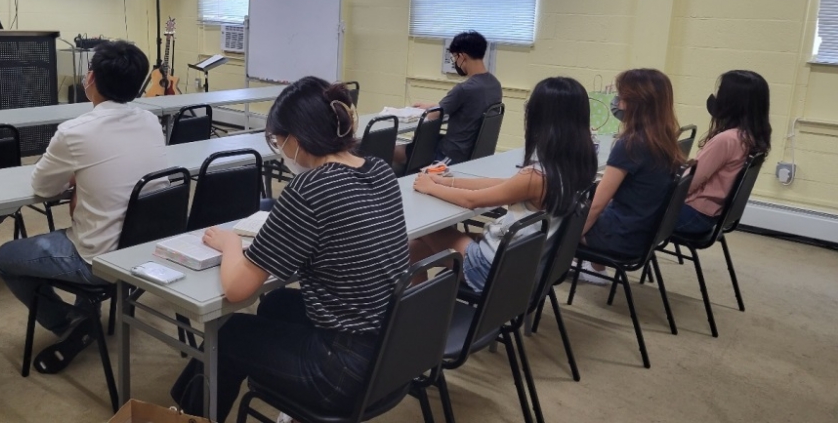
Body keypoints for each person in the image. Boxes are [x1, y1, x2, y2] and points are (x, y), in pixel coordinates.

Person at [170, 77, 410, 419]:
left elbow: (237, 288)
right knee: (277, 303)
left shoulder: (309, 188)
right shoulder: (380, 170)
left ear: (295, 139)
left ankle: (186, 416)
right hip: (390, 350)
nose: (279, 150)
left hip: (343, 372)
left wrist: (231, 243)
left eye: (277, 141)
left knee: (229, 335)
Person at [0, 41, 166, 373]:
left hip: (99, 259)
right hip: (146, 250)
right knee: (90, 225)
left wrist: (75, 175)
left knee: (4, 258)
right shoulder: (150, 120)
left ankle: (70, 323)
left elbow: (42, 188)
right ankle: (84, 315)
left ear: (92, 79)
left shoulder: (74, 131)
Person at [409, 77, 598, 291]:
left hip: (491, 269)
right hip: (522, 264)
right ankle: (420, 306)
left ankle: (419, 307)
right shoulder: (576, 167)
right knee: (414, 249)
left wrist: (430, 187)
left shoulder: (535, 176)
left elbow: (471, 201)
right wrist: (447, 181)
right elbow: (504, 185)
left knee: (423, 229)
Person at [580, 69, 686, 282]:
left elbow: (598, 204)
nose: (618, 104)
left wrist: (572, 235)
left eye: (622, 98)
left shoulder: (630, 145)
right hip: (644, 233)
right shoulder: (665, 140)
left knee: (555, 217)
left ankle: (584, 266)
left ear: (637, 103)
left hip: (622, 238)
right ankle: (594, 268)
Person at [676, 70, 772, 235]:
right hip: (711, 215)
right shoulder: (750, 137)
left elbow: (690, 181)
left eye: (720, 92)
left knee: (635, 206)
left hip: (694, 214)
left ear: (732, 101)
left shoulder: (726, 140)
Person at [396, 30, 502, 166]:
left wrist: (426, 111)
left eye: (454, 58)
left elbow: (433, 116)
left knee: (390, 150)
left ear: (462, 56)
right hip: (473, 153)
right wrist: (431, 106)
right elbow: (467, 108)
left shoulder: (464, 89)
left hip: (451, 155)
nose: (455, 62)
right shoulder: (494, 84)